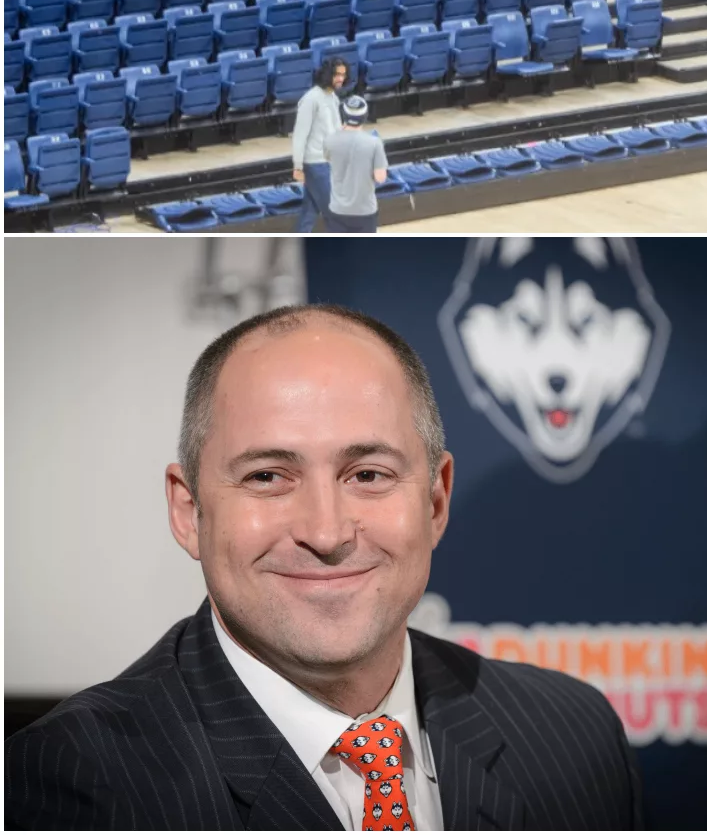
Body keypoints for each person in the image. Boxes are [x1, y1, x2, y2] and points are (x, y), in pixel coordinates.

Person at [6, 304, 643, 830]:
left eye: (368, 474)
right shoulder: (72, 787)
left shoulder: (575, 737)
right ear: (188, 510)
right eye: (267, 477)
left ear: (436, 501)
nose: (326, 532)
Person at [292, 56, 347, 233]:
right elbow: (300, 135)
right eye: (337, 74)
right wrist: (298, 166)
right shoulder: (310, 99)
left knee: (309, 211)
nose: (341, 79)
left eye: (343, 75)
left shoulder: (333, 97)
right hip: (316, 163)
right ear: (327, 74)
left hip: (328, 162)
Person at [325, 95, 388, 234]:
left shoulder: (330, 140)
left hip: (338, 210)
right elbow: (380, 178)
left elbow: (328, 159)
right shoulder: (374, 143)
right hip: (365, 211)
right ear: (365, 116)